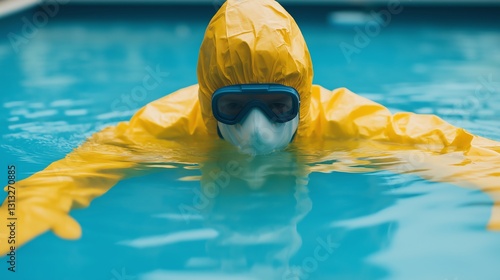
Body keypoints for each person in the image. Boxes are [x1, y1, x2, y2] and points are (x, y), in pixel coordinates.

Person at [1, 0, 499, 255]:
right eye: (234, 107)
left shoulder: (343, 118)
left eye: (279, 107)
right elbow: (75, 169)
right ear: (206, 102)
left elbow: (452, 144)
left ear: (302, 99)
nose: (258, 130)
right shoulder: (169, 125)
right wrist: (16, 217)